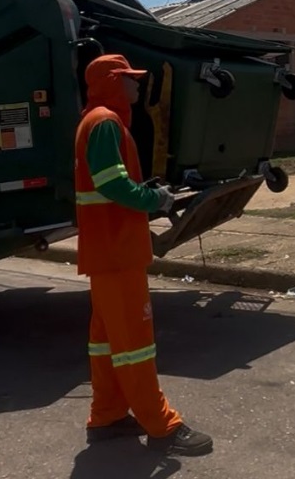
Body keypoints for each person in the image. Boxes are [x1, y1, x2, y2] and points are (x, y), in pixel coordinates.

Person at [75, 54, 212, 457]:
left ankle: (108, 415)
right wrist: (155, 198)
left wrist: (146, 192)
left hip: (107, 250)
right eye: (131, 79)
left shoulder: (95, 120)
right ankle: (161, 425)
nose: (137, 85)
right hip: (117, 251)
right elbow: (111, 184)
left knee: (106, 341)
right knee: (135, 342)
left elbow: (108, 183)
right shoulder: (105, 122)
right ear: (113, 82)